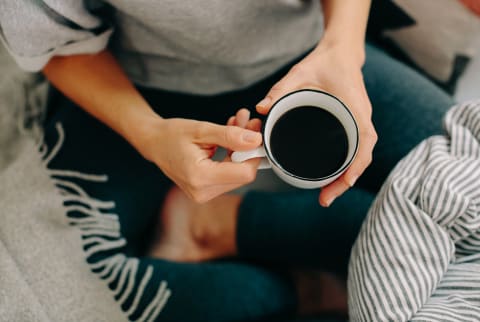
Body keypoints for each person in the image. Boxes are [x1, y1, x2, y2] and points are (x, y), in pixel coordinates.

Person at [0, 1, 453, 321]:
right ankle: (310, 286)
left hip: (311, 62)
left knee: (462, 187)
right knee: (66, 297)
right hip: (141, 89)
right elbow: (52, 40)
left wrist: (343, 50)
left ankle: (225, 226)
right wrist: (150, 133)